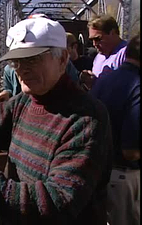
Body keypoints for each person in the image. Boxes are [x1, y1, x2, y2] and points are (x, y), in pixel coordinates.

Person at [0, 17, 112, 224]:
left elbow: (56, 203)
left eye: (32, 59)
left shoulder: (87, 118)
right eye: (16, 62)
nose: (21, 69)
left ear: (62, 59)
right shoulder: (25, 102)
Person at [90, 33, 140, 225]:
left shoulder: (104, 80)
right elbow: (131, 151)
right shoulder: (137, 86)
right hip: (124, 177)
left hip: (96, 171)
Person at [79, 15, 127, 90]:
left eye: (98, 39)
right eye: (92, 40)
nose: (94, 44)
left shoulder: (127, 53)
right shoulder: (99, 57)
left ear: (112, 33)